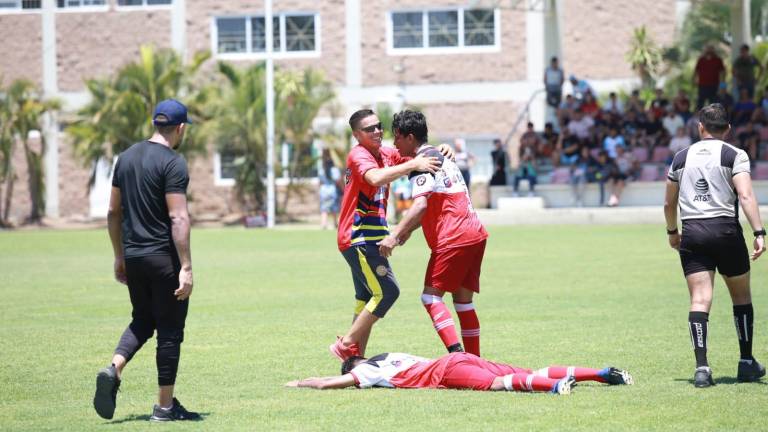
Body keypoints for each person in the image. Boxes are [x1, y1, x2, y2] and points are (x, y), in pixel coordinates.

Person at [95, 99, 199, 422]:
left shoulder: (125, 159)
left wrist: (118, 256)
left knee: (143, 320)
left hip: (135, 256)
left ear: (156, 123)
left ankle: (114, 369)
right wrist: (186, 266)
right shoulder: (173, 163)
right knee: (169, 330)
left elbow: (113, 212)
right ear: (180, 128)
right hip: (163, 259)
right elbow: (178, 217)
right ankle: (165, 407)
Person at [331, 109, 451, 361]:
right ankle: (346, 345)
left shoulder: (385, 153)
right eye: (369, 129)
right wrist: (414, 164)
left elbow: (413, 152)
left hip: (372, 237)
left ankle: (355, 360)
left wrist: (439, 149)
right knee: (387, 292)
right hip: (359, 237)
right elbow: (375, 178)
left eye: (378, 126)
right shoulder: (358, 155)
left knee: (366, 297)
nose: (377, 131)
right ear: (356, 135)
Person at [664, 103, 766, 388]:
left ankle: (702, 369)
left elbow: (668, 202)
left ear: (700, 127)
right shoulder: (735, 154)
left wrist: (673, 231)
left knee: (699, 299)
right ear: (728, 129)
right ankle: (746, 362)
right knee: (741, 298)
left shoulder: (681, 157)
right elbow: (745, 196)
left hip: (693, 232)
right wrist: (759, 232)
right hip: (726, 231)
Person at [379, 110, 488, 357]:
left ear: (408, 137)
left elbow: (420, 205)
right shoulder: (441, 156)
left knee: (430, 298)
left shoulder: (424, 162)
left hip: (454, 237)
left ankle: (458, 357)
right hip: (474, 234)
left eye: (396, 137)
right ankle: (475, 361)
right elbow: (437, 205)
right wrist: (408, 230)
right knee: (463, 303)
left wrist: (394, 235)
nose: (394, 143)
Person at [286, 351, 634, 395]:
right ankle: (602, 373)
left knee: (499, 385)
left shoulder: (367, 372)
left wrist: (301, 381)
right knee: (532, 368)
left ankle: (556, 386)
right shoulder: (389, 355)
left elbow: (331, 383)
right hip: (459, 358)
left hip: (447, 370)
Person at [693, 45, 725, 109]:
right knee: (700, 103)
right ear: (705, 50)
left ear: (714, 50)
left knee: (714, 105)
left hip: (714, 86)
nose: (709, 51)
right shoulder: (701, 60)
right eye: (708, 49)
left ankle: (713, 118)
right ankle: (699, 118)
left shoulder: (718, 60)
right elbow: (696, 72)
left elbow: (723, 74)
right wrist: (694, 80)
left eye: (711, 49)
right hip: (702, 85)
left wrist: (722, 86)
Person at [318, 148, 342, 230]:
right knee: (334, 208)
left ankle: (323, 223)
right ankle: (335, 223)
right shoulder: (334, 170)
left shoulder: (322, 170)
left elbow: (320, 182)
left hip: (323, 191)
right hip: (332, 190)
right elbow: (338, 181)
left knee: (324, 209)